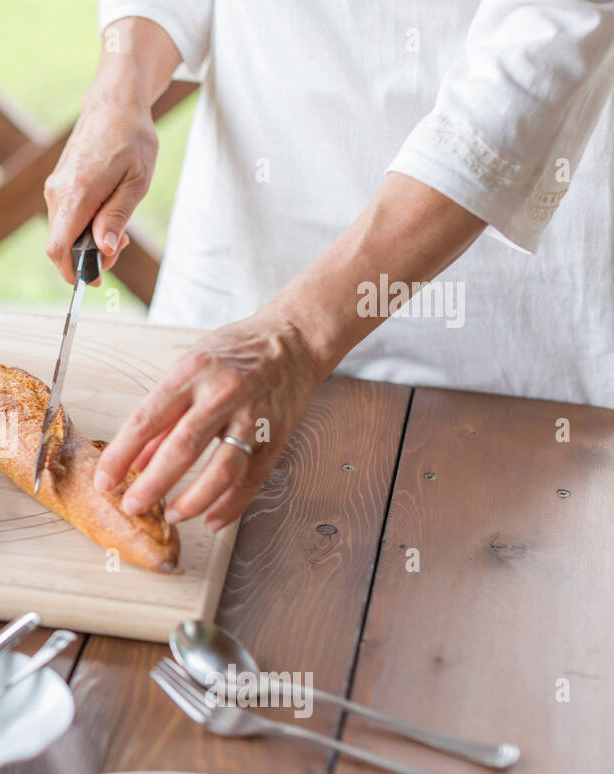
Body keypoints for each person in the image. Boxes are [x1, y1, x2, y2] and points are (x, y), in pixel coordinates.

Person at [45, 1, 614, 533]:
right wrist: (119, 89)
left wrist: (297, 333)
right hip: (236, 276)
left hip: (502, 334)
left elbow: (549, 29)